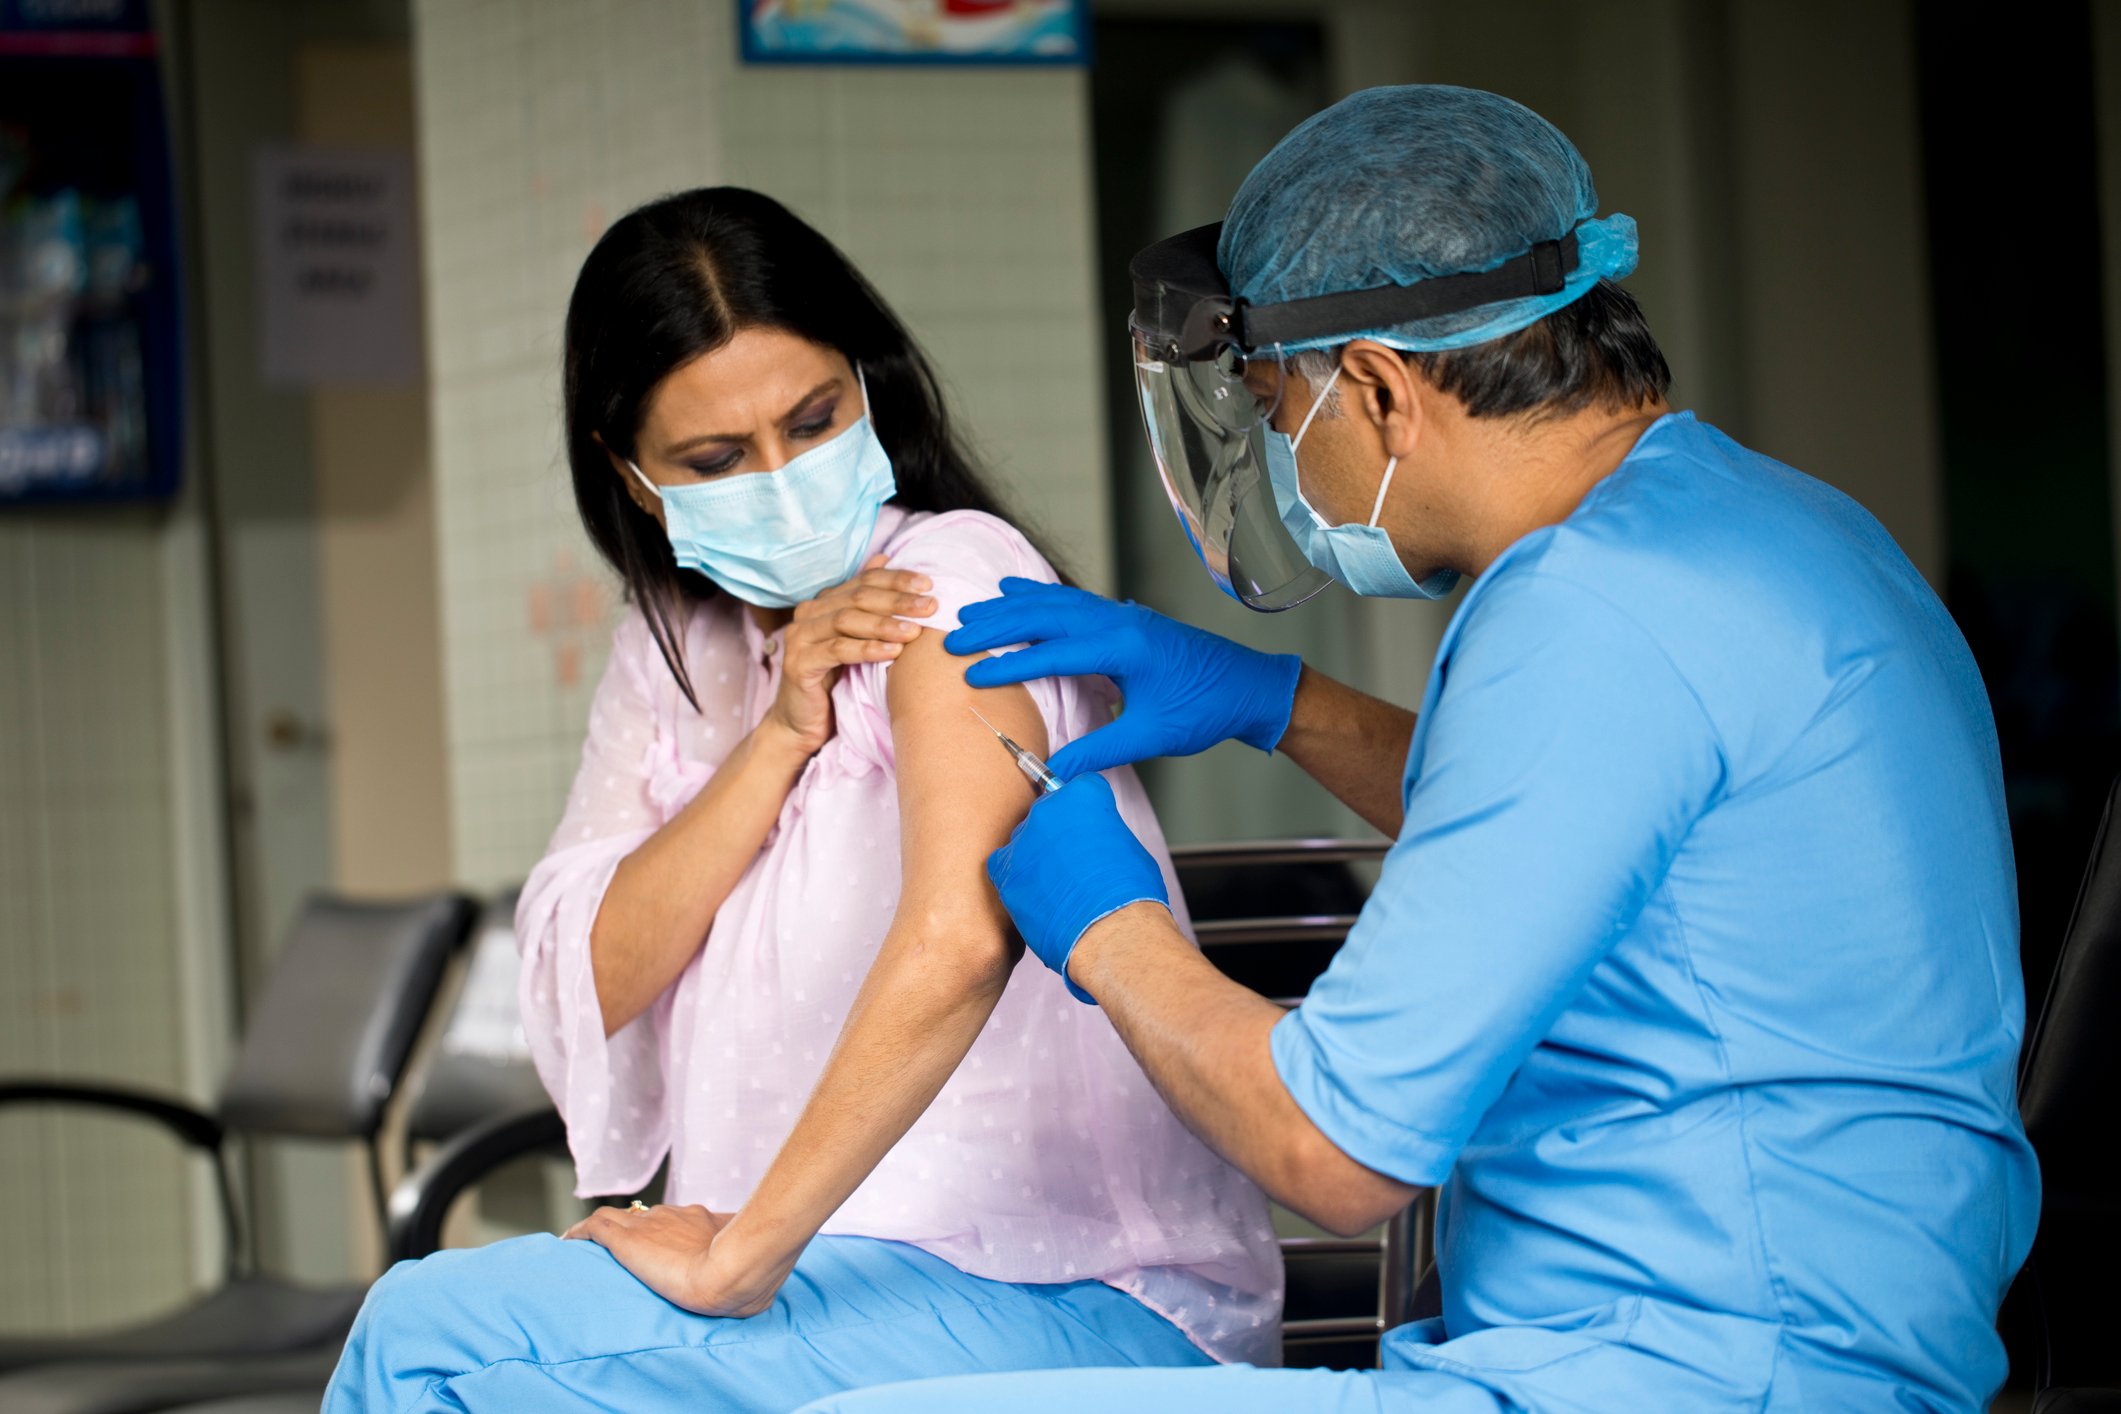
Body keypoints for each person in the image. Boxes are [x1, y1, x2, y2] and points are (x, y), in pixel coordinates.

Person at [802, 85, 2041, 1412]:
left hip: (1697, 1373)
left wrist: (1109, 932)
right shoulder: (1763, 526)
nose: (1282, 457)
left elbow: (1332, 1147)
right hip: (1797, 1336)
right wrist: (1274, 702)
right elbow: (1582, 832)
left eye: (1280, 412)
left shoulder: (1587, 613)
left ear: (1383, 390)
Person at [324, 187, 1279, 1412]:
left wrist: (741, 1253)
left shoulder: (946, 579)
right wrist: (779, 735)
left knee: (434, 1337)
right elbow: (590, 969)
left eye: (813, 419)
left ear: (868, 386)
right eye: (716, 460)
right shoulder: (678, 654)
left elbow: (959, 933)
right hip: (835, 1287)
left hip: (1074, 1290)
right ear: (635, 478)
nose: (780, 479)